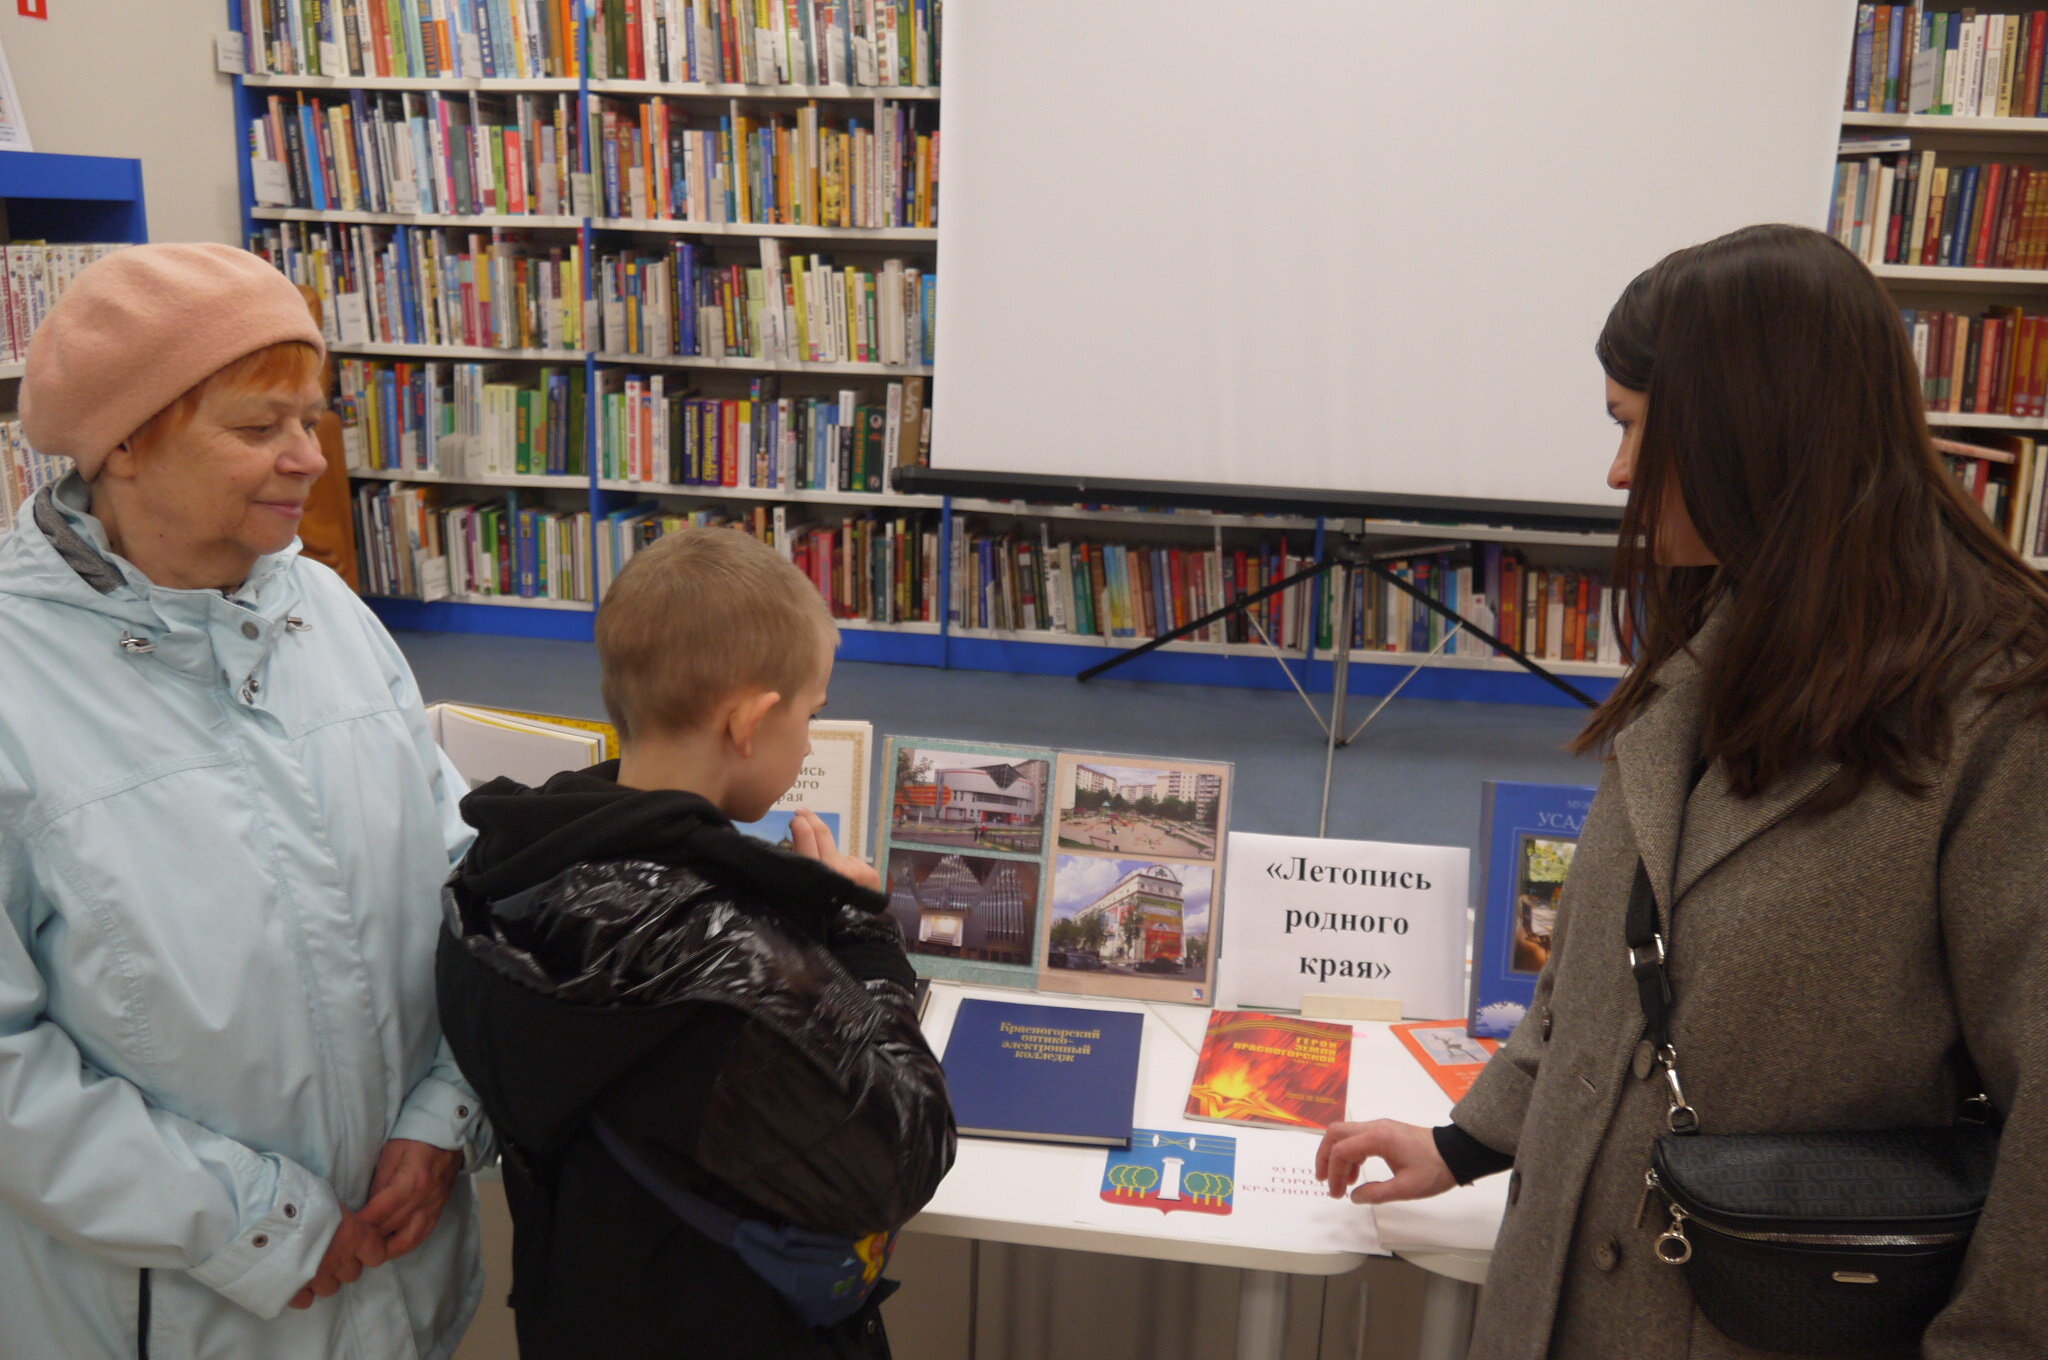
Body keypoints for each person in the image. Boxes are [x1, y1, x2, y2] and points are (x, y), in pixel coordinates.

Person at [1317, 224, 2048, 1358]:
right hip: (1563, 1296)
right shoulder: (1715, 630)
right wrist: (1467, 1141)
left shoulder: (1999, 710)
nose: (1616, 474)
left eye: (1632, 428)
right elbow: (1602, 976)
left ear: (1748, 429)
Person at [0, 244, 486, 1357]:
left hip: (402, 1284)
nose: (309, 457)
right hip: (175, 1315)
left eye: (310, 419)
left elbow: (460, 877)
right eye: (260, 426)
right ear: (125, 442)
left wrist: (444, 1112)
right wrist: (248, 1222)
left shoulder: (326, 612)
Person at [436, 525, 957, 1360]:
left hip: (579, 1313)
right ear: (749, 723)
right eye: (811, 715)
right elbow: (906, 1147)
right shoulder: (719, 957)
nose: (809, 742)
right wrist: (859, 927)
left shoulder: (501, 875)